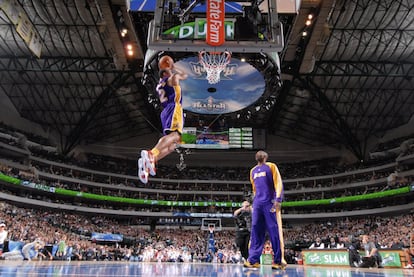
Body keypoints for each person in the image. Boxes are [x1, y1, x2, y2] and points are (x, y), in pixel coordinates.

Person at [138, 62, 188, 184]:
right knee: (175, 135)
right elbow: (184, 75)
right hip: (174, 108)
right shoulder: (172, 78)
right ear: (166, 73)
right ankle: (151, 153)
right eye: (169, 71)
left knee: (172, 146)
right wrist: (173, 66)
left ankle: (149, 162)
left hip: (166, 111)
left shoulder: (160, 84)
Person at [243, 150, 286, 270]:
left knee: (273, 231)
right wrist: (253, 203)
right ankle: (253, 260)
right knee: (256, 231)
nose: (259, 155)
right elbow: (254, 189)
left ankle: (278, 261)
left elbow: (279, 183)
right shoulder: (252, 171)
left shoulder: (271, 166)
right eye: (258, 154)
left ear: (265, 157)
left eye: (262, 154)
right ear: (256, 157)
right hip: (258, 203)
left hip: (270, 202)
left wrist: (278, 199)